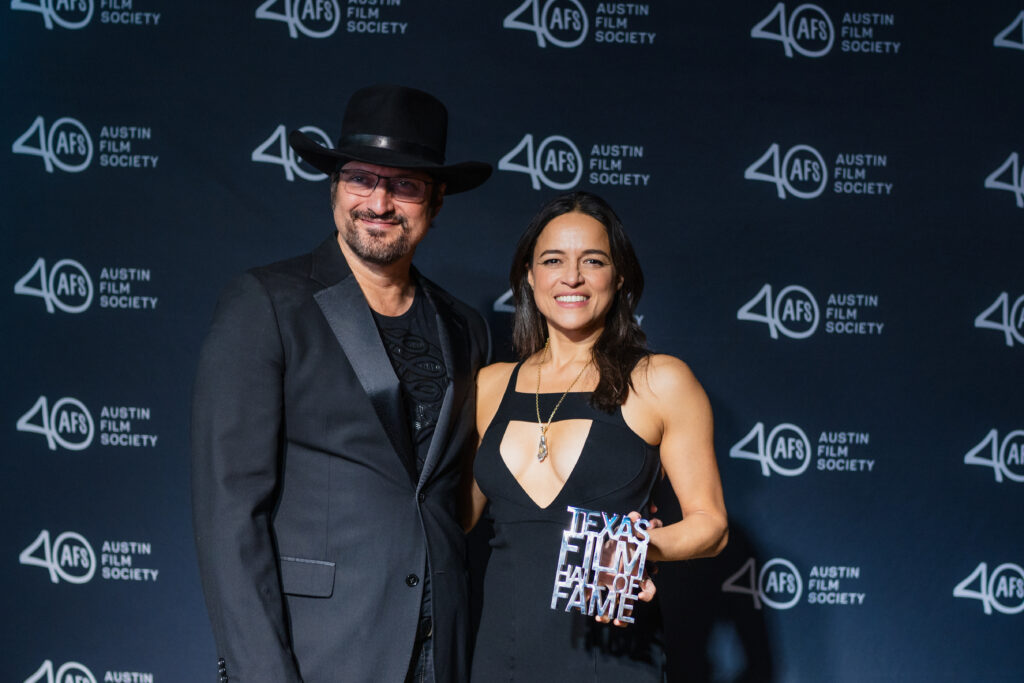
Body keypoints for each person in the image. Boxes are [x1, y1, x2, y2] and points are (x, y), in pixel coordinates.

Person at [191, 84, 492, 683]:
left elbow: (464, 494)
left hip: (444, 649)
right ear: (334, 189)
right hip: (320, 650)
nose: (379, 202)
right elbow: (228, 512)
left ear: (434, 203)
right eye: (361, 179)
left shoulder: (467, 327)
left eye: (404, 185)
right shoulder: (267, 303)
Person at [466, 191, 728, 681]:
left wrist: (637, 550)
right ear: (529, 274)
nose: (572, 277)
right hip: (503, 653)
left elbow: (711, 525)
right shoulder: (489, 385)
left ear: (620, 276)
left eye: (593, 261)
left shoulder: (660, 380)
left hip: (613, 658)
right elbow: (453, 518)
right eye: (552, 260)